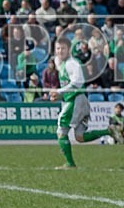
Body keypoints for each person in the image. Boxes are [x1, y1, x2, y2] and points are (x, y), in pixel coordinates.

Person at [48, 38, 111, 169]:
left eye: (63, 48)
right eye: (58, 48)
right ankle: (109, 131)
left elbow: (78, 83)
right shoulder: (63, 63)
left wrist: (59, 91)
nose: (60, 51)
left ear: (69, 49)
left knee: (61, 129)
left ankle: (70, 164)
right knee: (80, 137)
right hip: (77, 100)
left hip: (77, 100)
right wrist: (60, 95)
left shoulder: (72, 63)